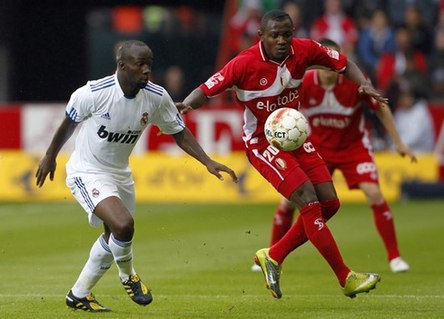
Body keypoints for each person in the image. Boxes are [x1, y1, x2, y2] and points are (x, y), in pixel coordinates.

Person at [177, 10, 385, 299]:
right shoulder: (243, 64)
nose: (282, 40)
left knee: (331, 203)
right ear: (261, 36)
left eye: (286, 34)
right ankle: (345, 277)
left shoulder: (306, 49)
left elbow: (343, 62)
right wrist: (186, 105)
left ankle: (273, 255)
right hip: (263, 143)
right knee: (309, 201)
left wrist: (362, 82)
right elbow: (207, 88)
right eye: (274, 35)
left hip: (295, 137)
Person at [35, 40, 238, 312]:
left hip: (120, 174)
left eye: (149, 65)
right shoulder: (94, 93)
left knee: (115, 236)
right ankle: (128, 275)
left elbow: (178, 132)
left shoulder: (156, 96)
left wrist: (207, 161)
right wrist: (50, 156)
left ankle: (79, 294)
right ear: (122, 66)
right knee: (123, 225)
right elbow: (68, 124)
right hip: (87, 171)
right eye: (140, 64)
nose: (146, 71)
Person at [258, 39, 416, 275]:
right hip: (317, 148)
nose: (331, 70)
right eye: (326, 66)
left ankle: (394, 257)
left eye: (334, 65)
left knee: (373, 193)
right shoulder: (305, 82)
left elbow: (380, 107)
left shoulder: (354, 83)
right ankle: (271, 254)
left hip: (353, 147)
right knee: (288, 200)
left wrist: (399, 142)